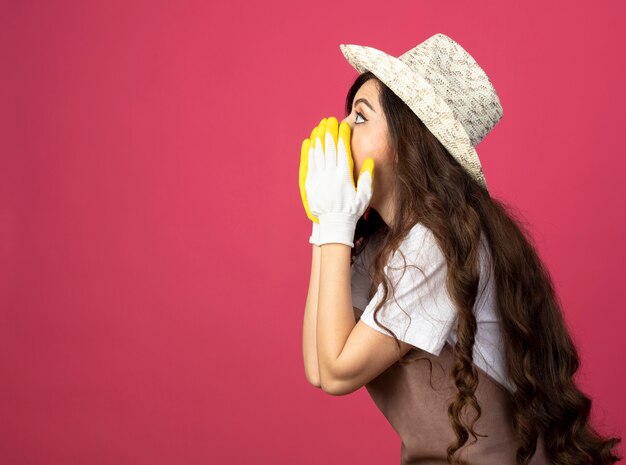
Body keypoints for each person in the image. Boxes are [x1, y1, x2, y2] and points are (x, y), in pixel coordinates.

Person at [299, 33, 621, 465]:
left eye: (360, 116)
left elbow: (338, 372)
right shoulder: (381, 247)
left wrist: (336, 224)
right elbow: (319, 367)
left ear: (407, 139)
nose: (341, 131)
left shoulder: (437, 245)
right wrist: (326, 224)